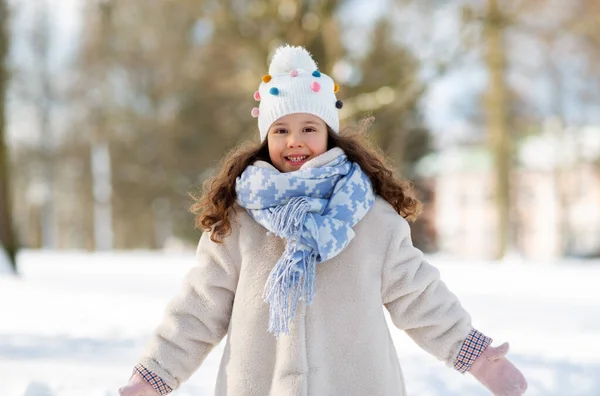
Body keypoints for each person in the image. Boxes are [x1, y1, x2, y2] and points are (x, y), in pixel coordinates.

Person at [118, 45, 527, 396]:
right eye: (281, 129)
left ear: (329, 135)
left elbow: (420, 296)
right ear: (266, 139)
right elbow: (199, 308)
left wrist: (477, 357)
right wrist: (154, 376)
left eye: (308, 127)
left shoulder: (371, 219)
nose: (294, 140)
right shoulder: (238, 223)